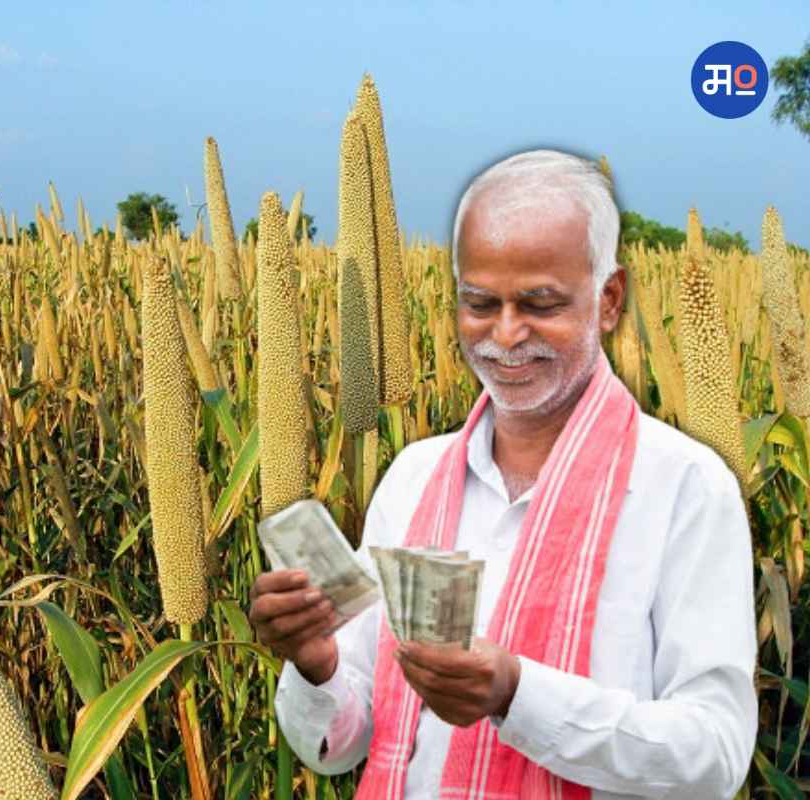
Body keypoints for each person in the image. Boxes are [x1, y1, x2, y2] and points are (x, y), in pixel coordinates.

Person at [250, 149, 757, 799]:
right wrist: (316, 668)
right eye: (481, 303)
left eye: (540, 303)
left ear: (608, 300)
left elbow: (714, 754)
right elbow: (342, 748)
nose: (506, 334)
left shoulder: (682, 487)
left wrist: (518, 695)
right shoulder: (412, 478)